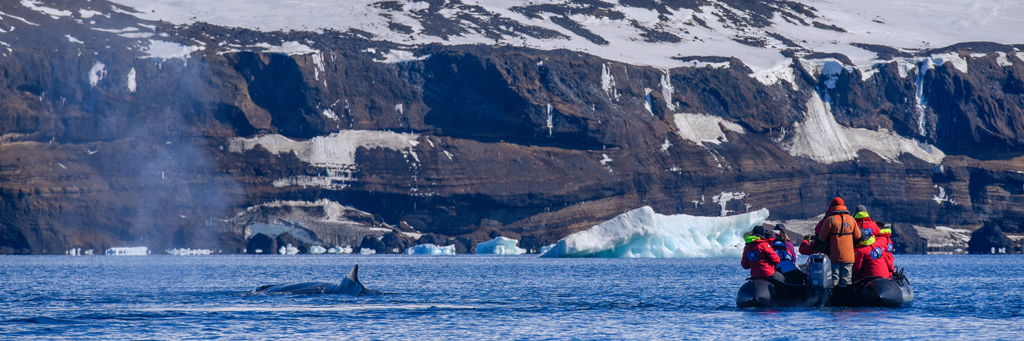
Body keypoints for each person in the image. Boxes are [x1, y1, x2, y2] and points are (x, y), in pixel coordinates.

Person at [815, 197, 861, 287]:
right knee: (847, 280)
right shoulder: (851, 219)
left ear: (832, 206)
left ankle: (834, 295)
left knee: (834, 279)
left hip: (834, 255)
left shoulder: (830, 219)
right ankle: (845, 295)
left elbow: (822, 237)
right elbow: (858, 236)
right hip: (849, 256)